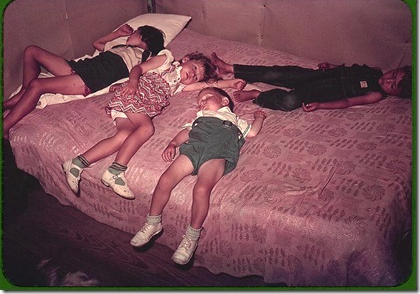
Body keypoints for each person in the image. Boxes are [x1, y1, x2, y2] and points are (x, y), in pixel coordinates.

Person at [63, 51, 246, 199]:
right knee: (147, 128)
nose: (192, 75)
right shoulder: (166, 60)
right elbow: (138, 68)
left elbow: (205, 86)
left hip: (136, 108)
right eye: (194, 68)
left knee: (123, 136)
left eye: (195, 76)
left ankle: (76, 163)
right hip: (132, 95)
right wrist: (133, 83)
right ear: (187, 59)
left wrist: (231, 82)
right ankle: (116, 171)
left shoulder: (178, 86)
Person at [130, 87, 267, 265]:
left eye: (207, 97)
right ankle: (153, 222)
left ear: (224, 101)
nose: (202, 102)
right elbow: (186, 133)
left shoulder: (235, 120)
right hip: (194, 149)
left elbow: (253, 132)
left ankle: (191, 237)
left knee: (201, 189)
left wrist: (259, 118)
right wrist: (172, 143)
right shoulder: (198, 118)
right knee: (165, 179)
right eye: (199, 101)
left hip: (218, 152)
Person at [3, 24, 165, 139]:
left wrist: (132, 82)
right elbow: (97, 44)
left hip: (93, 77)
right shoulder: (120, 47)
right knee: (31, 51)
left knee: (37, 85)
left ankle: (4, 125)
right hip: (82, 67)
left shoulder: (145, 56)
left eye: (135, 32)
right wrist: (117, 34)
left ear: (143, 38)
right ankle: (24, 94)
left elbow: (147, 70)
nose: (131, 34)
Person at [211, 53, 412, 112]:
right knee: (276, 73)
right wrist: (331, 66)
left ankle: (258, 96)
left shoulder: (376, 94)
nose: (388, 80)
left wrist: (321, 105)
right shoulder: (374, 70)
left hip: (319, 94)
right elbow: (348, 70)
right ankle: (230, 68)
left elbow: (348, 102)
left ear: (394, 94)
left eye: (392, 85)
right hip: (314, 77)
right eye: (393, 75)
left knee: (289, 102)